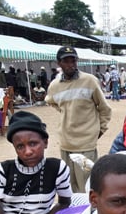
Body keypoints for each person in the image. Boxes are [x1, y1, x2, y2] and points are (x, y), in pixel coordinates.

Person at [0, 110, 72, 214]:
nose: (28, 151)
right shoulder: (1, 171)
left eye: (33, 143)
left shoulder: (57, 168)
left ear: (45, 142)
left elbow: (65, 202)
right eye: (20, 146)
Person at [45, 46, 112, 193]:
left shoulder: (90, 81)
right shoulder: (54, 86)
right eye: (66, 61)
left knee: (88, 187)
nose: (70, 64)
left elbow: (105, 109)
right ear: (59, 63)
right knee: (70, 186)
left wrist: (99, 130)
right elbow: (51, 101)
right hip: (66, 144)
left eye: (73, 60)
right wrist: (66, 111)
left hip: (86, 145)